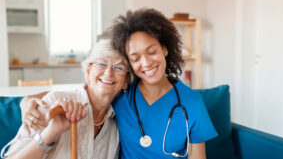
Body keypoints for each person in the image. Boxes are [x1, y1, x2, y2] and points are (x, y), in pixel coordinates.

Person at [16, 8, 218, 159]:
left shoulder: (192, 103)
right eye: (135, 57)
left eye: (152, 51)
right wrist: (27, 100)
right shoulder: (123, 94)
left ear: (165, 48)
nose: (146, 63)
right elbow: (86, 91)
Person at [1, 40, 133, 159]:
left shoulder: (116, 124)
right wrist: (51, 132)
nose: (109, 72)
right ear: (88, 71)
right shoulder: (53, 103)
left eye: (118, 67)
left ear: (126, 81)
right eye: (101, 64)